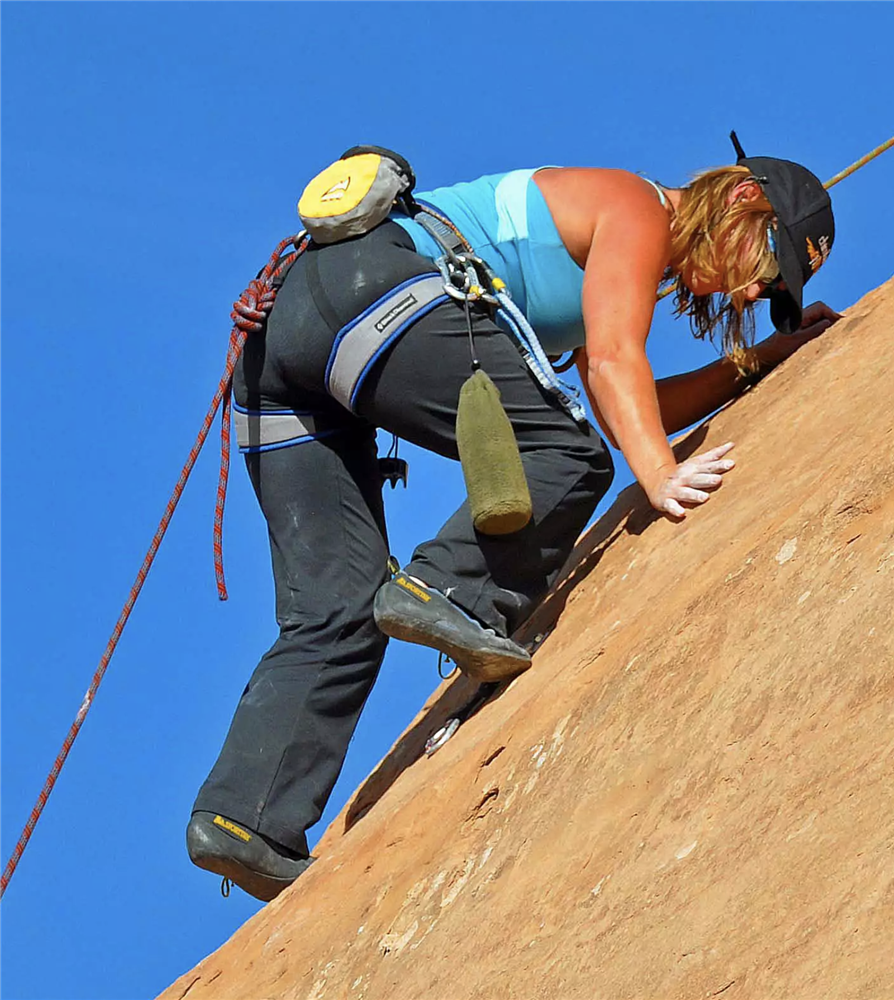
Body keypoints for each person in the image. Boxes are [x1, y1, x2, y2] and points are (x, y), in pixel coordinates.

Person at [185, 146, 840, 901]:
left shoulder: (634, 255)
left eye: (775, 290)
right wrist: (660, 477)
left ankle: (243, 820)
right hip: (370, 291)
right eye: (770, 257)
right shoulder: (636, 206)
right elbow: (614, 367)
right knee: (568, 453)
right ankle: (450, 590)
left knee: (337, 607)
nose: (757, 287)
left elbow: (633, 407)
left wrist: (760, 359)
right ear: (740, 199)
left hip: (283, 348)